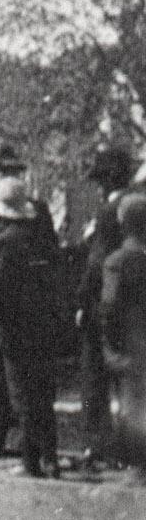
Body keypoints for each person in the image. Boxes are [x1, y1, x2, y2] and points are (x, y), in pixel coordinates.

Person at [0, 168, 60, 459]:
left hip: (13, 329)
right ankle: (50, 456)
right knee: (43, 393)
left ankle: (30, 460)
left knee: (20, 393)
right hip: (42, 324)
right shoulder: (41, 238)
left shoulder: (5, 242)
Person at [79, 145, 135, 468]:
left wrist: (82, 301)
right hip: (132, 307)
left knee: (94, 377)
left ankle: (96, 445)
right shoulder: (136, 205)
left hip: (103, 304)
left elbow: (96, 264)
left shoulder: (107, 212)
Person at [99, 193, 146, 481]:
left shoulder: (117, 261)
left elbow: (110, 306)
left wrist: (110, 345)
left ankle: (140, 467)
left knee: (133, 406)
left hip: (129, 346)